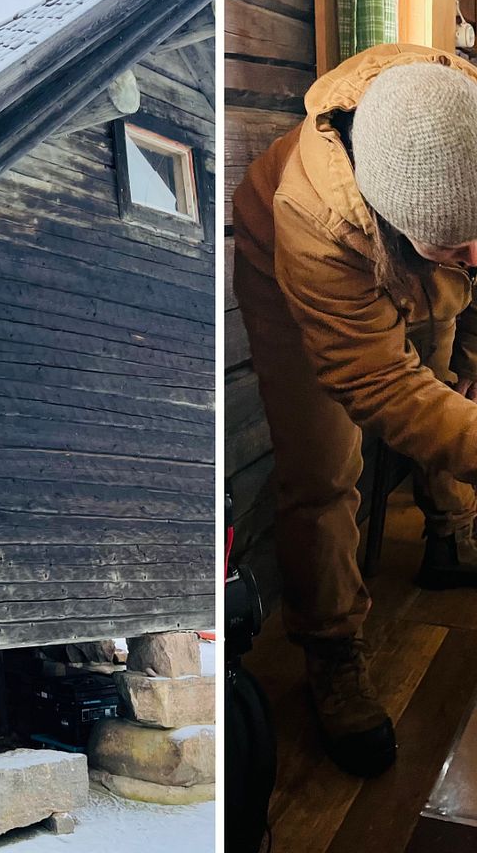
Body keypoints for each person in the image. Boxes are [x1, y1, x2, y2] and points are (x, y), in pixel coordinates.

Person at [233, 43, 477, 778]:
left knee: (446, 377)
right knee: (323, 467)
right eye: (459, 247)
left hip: (412, 253)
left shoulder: (463, 114)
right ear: (402, 229)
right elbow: (382, 388)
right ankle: (332, 649)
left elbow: (433, 384)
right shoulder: (312, 216)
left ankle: (453, 534)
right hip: (289, 274)